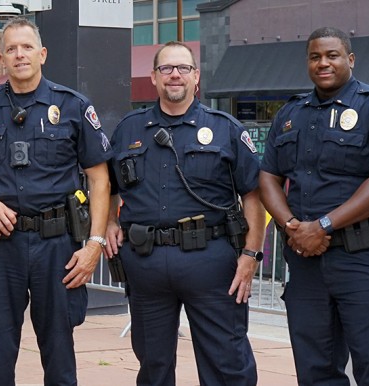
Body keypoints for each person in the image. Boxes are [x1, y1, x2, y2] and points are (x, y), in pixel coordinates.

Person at [0, 17, 113, 386]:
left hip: (57, 246)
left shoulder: (72, 105)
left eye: (26, 47)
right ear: (1, 59)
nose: (19, 54)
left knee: (58, 352)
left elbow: (100, 178)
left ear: (42, 54)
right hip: (0, 245)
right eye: (11, 49)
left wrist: (94, 245)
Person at [258, 27, 369, 385]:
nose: (323, 63)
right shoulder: (290, 113)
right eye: (315, 57)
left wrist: (323, 225)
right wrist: (292, 226)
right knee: (315, 371)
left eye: (332, 55)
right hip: (307, 263)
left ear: (350, 59)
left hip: (365, 261)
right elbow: (268, 176)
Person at [104, 41, 265, 386]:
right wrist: (109, 221)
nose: (174, 75)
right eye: (166, 68)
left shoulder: (225, 128)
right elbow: (107, 184)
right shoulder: (128, 129)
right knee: (153, 363)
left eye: (183, 68)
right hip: (145, 263)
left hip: (211, 262)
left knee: (227, 363)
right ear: (153, 77)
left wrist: (251, 255)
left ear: (196, 77)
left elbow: (254, 194)